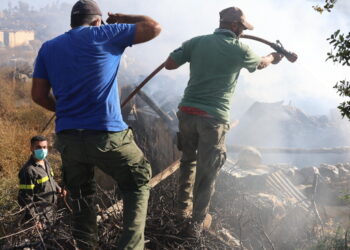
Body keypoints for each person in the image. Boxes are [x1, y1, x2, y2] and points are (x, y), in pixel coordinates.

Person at [31, 0, 161, 249]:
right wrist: (122, 17)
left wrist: (67, 110)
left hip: (69, 139)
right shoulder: (105, 33)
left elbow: (38, 95)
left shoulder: (48, 48)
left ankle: (85, 244)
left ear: (72, 22)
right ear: (96, 21)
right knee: (137, 182)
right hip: (107, 134)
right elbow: (153, 27)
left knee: (81, 198)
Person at [164, 6, 283, 236]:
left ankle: (181, 211)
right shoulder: (239, 48)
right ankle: (196, 224)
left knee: (188, 161)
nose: (243, 32)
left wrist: (184, 51)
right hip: (213, 119)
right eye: (242, 28)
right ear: (235, 27)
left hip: (187, 113)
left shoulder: (196, 42)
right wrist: (273, 57)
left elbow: (169, 64)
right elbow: (259, 64)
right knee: (207, 172)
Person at [18, 135, 65, 228]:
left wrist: (57, 188)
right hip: (40, 215)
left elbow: (50, 179)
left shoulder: (45, 162)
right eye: (38, 147)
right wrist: (35, 220)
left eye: (44, 147)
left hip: (52, 210)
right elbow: (25, 199)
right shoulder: (28, 170)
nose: (42, 150)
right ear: (31, 148)